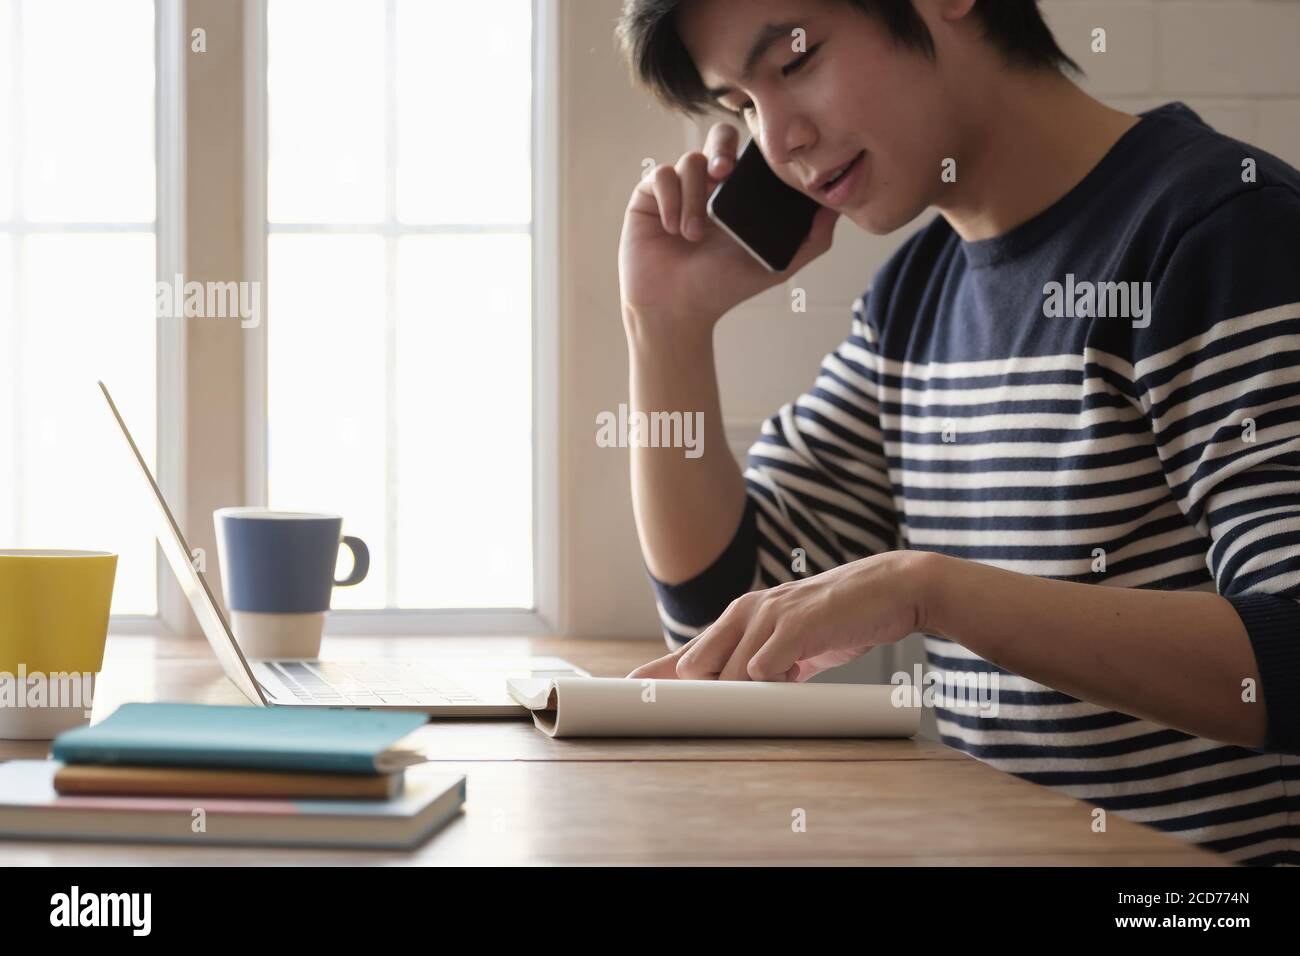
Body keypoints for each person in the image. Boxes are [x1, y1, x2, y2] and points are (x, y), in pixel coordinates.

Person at [613, 0, 1300, 865]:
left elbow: (1288, 650)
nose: (777, 138)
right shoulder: (913, 300)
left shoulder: (1221, 234)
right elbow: (727, 628)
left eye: (794, 61)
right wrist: (665, 325)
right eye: (741, 105)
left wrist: (932, 591)